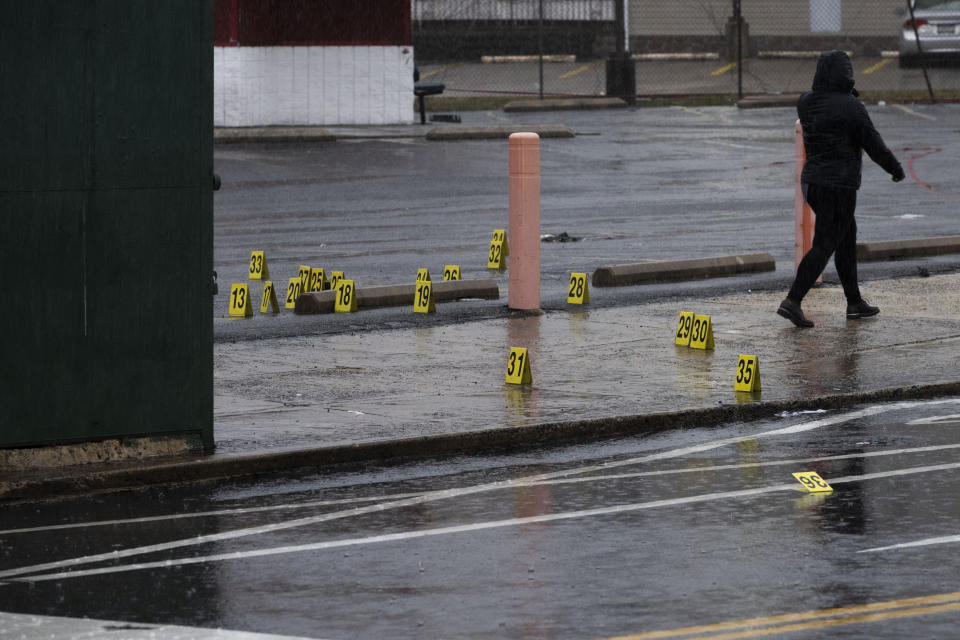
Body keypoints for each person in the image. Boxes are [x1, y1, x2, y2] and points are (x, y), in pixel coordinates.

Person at [777, 50, 905, 328]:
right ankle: (793, 300)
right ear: (845, 73)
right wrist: (895, 169)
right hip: (839, 186)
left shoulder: (805, 103)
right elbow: (873, 143)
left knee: (845, 240)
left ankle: (854, 302)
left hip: (812, 183)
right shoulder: (851, 107)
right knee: (824, 245)